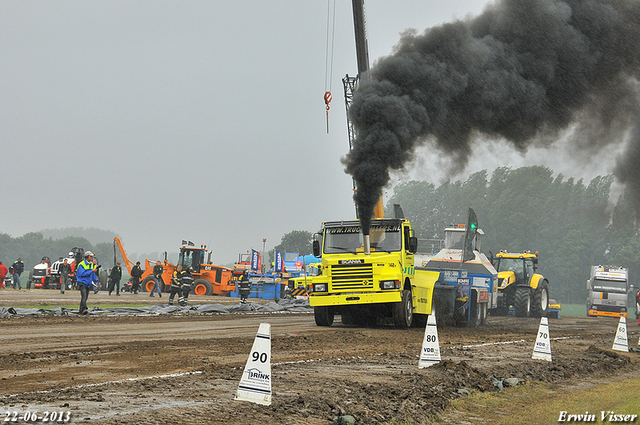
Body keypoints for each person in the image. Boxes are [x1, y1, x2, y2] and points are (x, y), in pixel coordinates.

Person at [76, 251, 99, 316]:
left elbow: (93, 274)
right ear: (87, 257)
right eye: (91, 256)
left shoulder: (91, 264)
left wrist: (96, 281)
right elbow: (82, 274)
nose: (92, 258)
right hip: (82, 282)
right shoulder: (81, 264)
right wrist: (91, 271)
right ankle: (84, 309)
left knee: (85, 298)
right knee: (84, 296)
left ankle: (81, 310)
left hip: (88, 283)